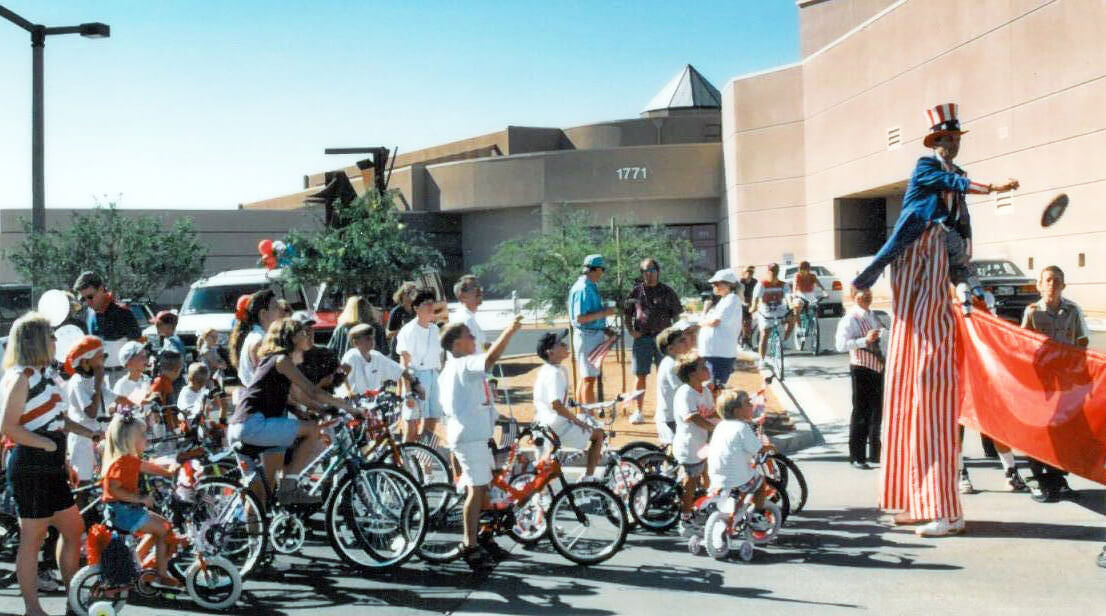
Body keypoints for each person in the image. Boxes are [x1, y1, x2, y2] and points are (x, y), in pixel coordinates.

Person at [851, 102, 1019, 537]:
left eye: (955, 140)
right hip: (909, 308)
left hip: (932, 316)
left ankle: (946, 508)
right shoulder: (927, 170)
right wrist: (988, 185)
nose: (950, 146)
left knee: (932, 398)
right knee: (906, 399)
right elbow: (948, 181)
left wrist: (973, 292)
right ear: (933, 144)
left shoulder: (953, 211)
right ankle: (917, 500)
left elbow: (961, 256)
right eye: (944, 139)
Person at [1, 313, 100, 616]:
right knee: (33, 539)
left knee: (73, 529)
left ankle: (74, 599)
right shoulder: (22, 377)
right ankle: (33, 609)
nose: (57, 340)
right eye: (51, 335)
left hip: (51, 464)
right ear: (36, 341)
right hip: (30, 465)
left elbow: (58, 420)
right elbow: (8, 425)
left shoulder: (47, 374)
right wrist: (45, 444)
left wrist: (89, 432)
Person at [227, 318, 355, 505]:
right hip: (253, 424)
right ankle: (289, 488)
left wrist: (324, 410)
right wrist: (350, 408)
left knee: (261, 496)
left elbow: (298, 397)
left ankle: (257, 533)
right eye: (302, 332)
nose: (307, 335)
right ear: (291, 338)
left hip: (248, 426)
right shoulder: (281, 359)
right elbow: (312, 390)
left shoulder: (275, 361)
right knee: (313, 430)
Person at [437, 314, 523, 570]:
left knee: (485, 488)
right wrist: (509, 331)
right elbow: (491, 359)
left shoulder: (460, 367)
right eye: (469, 336)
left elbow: (478, 402)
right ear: (455, 345)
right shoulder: (461, 365)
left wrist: (501, 419)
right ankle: (469, 545)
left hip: (477, 436)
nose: (474, 339)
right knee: (476, 491)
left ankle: (483, 535)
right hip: (469, 438)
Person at [1022, 265, 1088, 504]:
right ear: (1039, 285)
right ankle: (1040, 477)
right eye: (1048, 280)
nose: (1052, 284)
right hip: (1041, 381)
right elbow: (1023, 345)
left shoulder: (1073, 311)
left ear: (1064, 285)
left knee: (1063, 430)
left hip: (1065, 380)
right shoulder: (1032, 312)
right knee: (1040, 428)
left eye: (1057, 281)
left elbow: (1082, 343)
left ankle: (1058, 477)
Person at [100, 412, 180, 587]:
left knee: (161, 527)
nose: (147, 438)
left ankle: (136, 563)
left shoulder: (128, 460)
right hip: (123, 512)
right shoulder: (120, 463)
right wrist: (141, 498)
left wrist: (168, 472)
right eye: (143, 435)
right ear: (130, 440)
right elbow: (113, 489)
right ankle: (161, 575)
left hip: (126, 510)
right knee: (164, 529)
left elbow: (148, 467)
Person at [532, 331, 605, 479]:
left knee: (549, 467)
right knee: (598, 435)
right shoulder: (555, 374)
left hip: (544, 424)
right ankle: (589, 479)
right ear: (550, 352)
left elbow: (559, 401)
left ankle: (543, 494)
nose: (565, 345)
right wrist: (578, 421)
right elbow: (557, 405)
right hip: (557, 426)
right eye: (560, 344)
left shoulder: (549, 370)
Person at [623, 258, 683, 424]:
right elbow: (627, 314)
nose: (649, 274)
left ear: (658, 271)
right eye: (645, 271)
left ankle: (667, 411)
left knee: (666, 374)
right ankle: (638, 411)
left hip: (664, 340)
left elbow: (677, 314)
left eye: (652, 270)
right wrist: (631, 331)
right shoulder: (635, 292)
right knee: (640, 375)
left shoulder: (667, 291)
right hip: (643, 339)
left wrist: (676, 335)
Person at [834, 287, 888, 470]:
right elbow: (841, 345)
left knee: (876, 413)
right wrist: (863, 340)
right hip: (861, 368)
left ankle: (875, 454)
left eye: (868, 292)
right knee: (861, 413)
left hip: (878, 368)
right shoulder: (850, 318)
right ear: (853, 296)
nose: (866, 296)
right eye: (861, 293)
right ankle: (857, 456)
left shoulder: (873, 316)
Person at [671, 354, 716, 536]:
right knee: (689, 483)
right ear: (691, 374)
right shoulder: (685, 393)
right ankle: (685, 518)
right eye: (703, 368)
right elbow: (693, 417)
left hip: (702, 444)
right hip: (688, 446)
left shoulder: (705, 391)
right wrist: (713, 427)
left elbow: (712, 413)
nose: (707, 370)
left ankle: (707, 506)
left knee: (709, 475)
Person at [64, 335, 117, 484]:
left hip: (97, 435)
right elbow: (91, 412)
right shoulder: (78, 382)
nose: (103, 362)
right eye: (100, 357)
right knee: (84, 482)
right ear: (85, 362)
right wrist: (98, 382)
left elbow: (112, 396)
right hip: (82, 438)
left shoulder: (93, 380)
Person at [708, 390, 773, 506]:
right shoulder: (742, 427)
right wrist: (770, 448)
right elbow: (758, 449)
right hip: (736, 478)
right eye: (747, 403)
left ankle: (738, 507)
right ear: (737, 411)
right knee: (759, 481)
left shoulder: (720, 426)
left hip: (716, 476)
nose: (752, 405)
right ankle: (757, 512)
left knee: (742, 478)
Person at [396, 291, 444, 443]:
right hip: (415, 378)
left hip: (434, 377)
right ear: (416, 308)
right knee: (411, 425)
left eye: (432, 303)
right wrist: (408, 392)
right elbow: (404, 363)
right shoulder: (408, 331)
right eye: (426, 304)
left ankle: (425, 462)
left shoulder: (436, 329)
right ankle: (405, 463)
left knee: (432, 422)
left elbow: (440, 359)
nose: (431, 307)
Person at [568, 254, 616, 405]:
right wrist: (605, 313)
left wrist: (604, 327)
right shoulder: (583, 288)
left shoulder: (590, 286)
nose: (602, 273)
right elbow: (580, 318)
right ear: (595, 269)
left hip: (592, 335)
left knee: (586, 378)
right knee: (588, 379)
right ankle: (589, 418)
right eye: (602, 269)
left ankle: (583, 414)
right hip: (587, 336)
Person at [229, 289, 279, 405]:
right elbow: (267, 381)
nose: (281, 311)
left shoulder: (258, 336)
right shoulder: (260, 341)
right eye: (276, 307)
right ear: (263, 314)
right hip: (263, 406)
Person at [697, 269, 743, 387]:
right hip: (712, 353)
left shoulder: (732, 299)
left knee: (714, 388)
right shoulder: (725, 300)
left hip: (719, 354)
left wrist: (701, 320)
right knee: (709, 387)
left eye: (717, 283)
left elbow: (715, 321)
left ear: (729, 285)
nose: (714, 286)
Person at [654, 324, 696, 444]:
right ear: (671, 349)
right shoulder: (671, 365)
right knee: (675, 455)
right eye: (682, 341)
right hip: (670, 419)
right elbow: (683, 388)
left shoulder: (678, 363)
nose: (687, 342)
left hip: (676, 417)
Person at [73, 271, 142, 343]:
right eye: (83, 299)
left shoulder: (122, 313)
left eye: (90, 297)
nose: (88, 302)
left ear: (101, 289)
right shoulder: (88, 314)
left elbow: (137, 348)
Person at [340, 323, 408, 396]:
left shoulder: (377, 356)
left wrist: (415, 383)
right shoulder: (351, 356)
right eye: (368, 338)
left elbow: (400, 370)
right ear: (356, 342)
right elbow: (341, 374)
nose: (372, 340)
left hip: (371, 401)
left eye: (373, 337)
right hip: (351, 402)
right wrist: (349, 391)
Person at [751, 264, 793, 368]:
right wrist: (753, 307)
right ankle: (762, 359)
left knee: (792, 319)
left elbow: (788, 297)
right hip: (766, 311)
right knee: (765, 334)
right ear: (768, 272)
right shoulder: (762, 284)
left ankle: (784, 340)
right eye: (771, 271)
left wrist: (792, 306)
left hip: (779, 310)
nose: (773, 273)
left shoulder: (783, 285)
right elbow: (755, 299)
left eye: (775, 271)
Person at [328, 295, 384, 360]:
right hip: (372, 366)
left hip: (346, 366)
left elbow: (331, 350)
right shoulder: (376, 327)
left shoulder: (341, 328)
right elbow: (384, 351)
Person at [451, 275, 488, 351]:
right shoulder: (465, 320)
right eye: (474, 288)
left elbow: (481, 349)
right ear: (462, 296)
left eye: (479, 287)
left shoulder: (469, 318)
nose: (479, 291)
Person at [112, 341, 153, 407]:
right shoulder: (121, 385)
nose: (146, 360)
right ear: (129, 362)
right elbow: (115, 407)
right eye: (141, 357)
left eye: (146, 356)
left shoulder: (147, 379)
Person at [386, 282, 418, 360]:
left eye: (414, 292)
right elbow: (388, 334)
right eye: (410, 293)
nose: (413, 295)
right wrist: (404, 330)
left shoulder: (417, 309)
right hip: (398, 352)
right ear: (403, 295)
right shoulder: (396, 311)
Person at [738, 266, 757, 349]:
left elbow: (757, 293)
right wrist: (744, 302)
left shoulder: (754, 282)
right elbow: (739, 294)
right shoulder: (741, 282)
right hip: (741, 303)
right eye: (747, 272)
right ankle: (743, 339)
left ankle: (747, 339)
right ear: (743, 273)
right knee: (744, 322)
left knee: (749, 322)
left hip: (751, 303)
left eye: (751, 272)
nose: (749, 274)